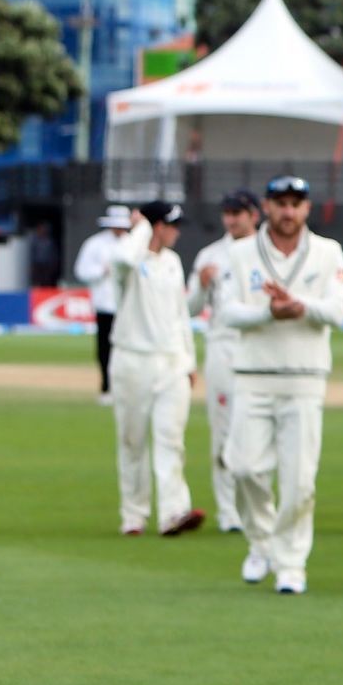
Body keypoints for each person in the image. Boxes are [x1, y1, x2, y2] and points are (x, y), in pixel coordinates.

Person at [217, 176, 343, 594]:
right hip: (252, 376)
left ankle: (291, 563)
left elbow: (337, 309)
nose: (288, 212)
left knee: (299, 479)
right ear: (267, 208)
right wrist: (269, 313)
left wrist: (299, 306)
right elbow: (228, 312)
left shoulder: (328, 252)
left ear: (307, 208)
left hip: (305, 378)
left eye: (296, 204)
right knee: (243, 468)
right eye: (280, 203)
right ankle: (261, 543)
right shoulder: (239, 253)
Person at [109, 202, 204, 537]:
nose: (176, 231)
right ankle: (134, 515)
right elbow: (123, 259)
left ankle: (173, 512)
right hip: (132, 360)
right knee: (132, 440)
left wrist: (189, 360)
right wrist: (141, 229)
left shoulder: (173, 262)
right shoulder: (130, 261)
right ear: (156, 226)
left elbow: (180, 316)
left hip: (171, 362)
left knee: (170, 439)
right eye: (170, 225)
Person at [187, 190, 261, 533]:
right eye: (227, 213)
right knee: (223, 429)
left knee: (259, 431)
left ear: (254, 215)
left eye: (239, 213)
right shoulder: (210, 255)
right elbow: (188, 308)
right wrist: (201, 287)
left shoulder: (268, 250)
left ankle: (257, 507)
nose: (232, 219)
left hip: (260, 346)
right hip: (222, 347)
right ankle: (228, 510)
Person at [74, 205, 131, 403]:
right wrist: (101, 271)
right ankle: (106, 387)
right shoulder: (95, 244)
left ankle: (125, 388)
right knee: (104, 349)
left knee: (126, 349)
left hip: (127, 307)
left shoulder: (132, 244)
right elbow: (81, 270)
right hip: (105, 305)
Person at [30, 222, 62, 288]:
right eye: (41, 229)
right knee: (37, 281)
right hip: (37, 264)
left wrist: (54, 263)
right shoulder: (35, 241)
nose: (43, 231)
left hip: (47, 265)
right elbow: (32, 253)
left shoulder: (50, 241)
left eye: (44, 229)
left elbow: (54, 253)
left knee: (47, 281)